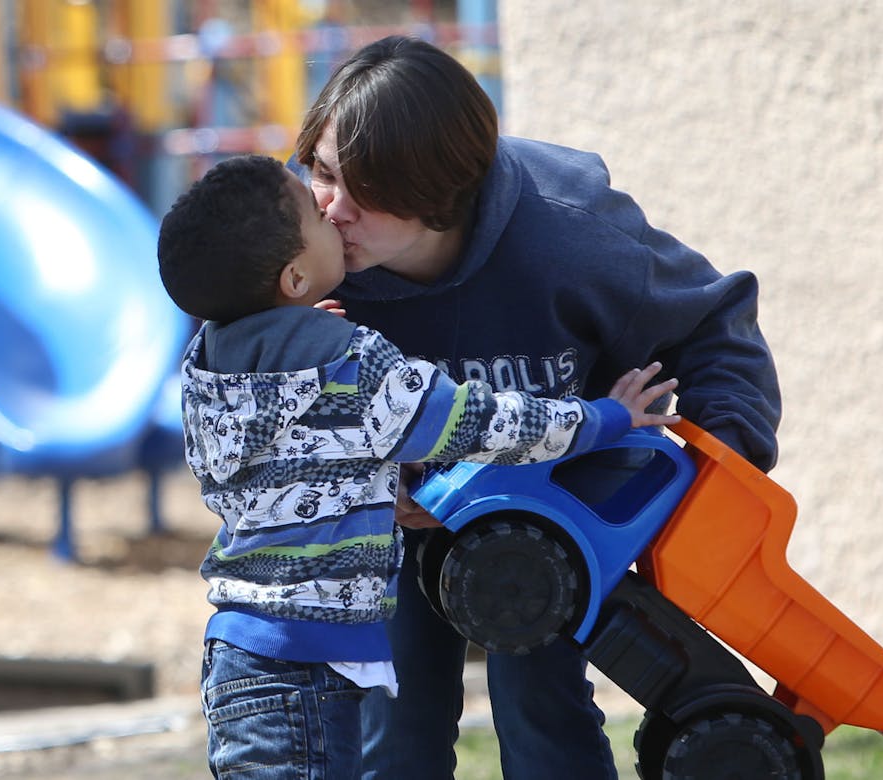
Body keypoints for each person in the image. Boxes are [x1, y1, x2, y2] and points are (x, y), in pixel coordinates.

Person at [290, 36, 782, 779]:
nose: (333, 210)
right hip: (378, 531)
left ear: (441, 194)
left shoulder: (569, 235)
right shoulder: (294, 250)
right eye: (322, 172)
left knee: (538, 706)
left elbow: (714, 323)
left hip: (545, 514)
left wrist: (712, 487)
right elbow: (228, 406)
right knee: (390, 731)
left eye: (368, 191)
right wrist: (355, 474)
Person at [157, 153, 682, 779]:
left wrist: (294, 329)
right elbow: (479, 423)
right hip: (308, 667)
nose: (330, 208)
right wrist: (605, 418)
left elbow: (282, 461)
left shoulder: (207, 371)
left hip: (237, 658)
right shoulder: (350, 364)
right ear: (295, 279)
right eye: (314, 213)